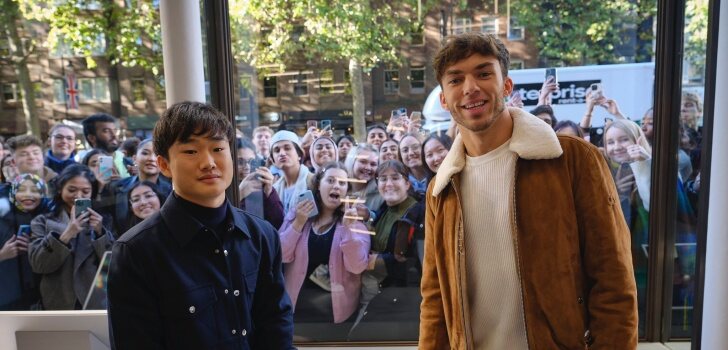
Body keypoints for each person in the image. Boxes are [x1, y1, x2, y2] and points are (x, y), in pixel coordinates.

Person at [420, 33, 637, 349]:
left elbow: (613, 279)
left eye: (483, 73)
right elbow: (435, 298)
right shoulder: (441, 189)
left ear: (506, 86)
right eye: (455, 80)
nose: (470, 88)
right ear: (444, 99)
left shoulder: (572, 160)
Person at [107, 101, 294, 349]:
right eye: (191, 151)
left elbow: (276, 327)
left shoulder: (261, 235)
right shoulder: (136, 252)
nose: (208, 162)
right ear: (164, 165)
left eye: (218, 148)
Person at [278, 162, 370, 339]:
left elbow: (357, 267)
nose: (336, 185)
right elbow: (280, 255)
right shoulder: (297, 214)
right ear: (318, 186)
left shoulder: (355, 223)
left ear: (346, 191)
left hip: (335, 314)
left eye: (342, 183)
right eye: (331, 180)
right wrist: (298, 223)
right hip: (296, 309)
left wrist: (349, 229)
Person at [28, 164, 113, 310]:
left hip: (95, 300)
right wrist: (67, 234)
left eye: (85, 191)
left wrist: (100, 233)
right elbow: (38, 264)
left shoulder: (103, 220)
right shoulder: (42, 221)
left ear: (92, 193)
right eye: (72, 190)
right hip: (58, 300)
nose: (78, 196)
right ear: (60, 189)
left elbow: (112, 265)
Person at [0, 174, 50, 310]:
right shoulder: (2, 219)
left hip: (40, 298)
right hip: (6, 300)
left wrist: (35, 249)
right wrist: (3, 254)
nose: (28, 195)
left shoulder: (49, 219)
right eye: (21, 190)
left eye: (35, 190)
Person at [107, 139, 172, 236]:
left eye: (157, 155)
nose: (152, 158)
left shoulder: (171, 192)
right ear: (134, 158)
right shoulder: (118, 187)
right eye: (145, 153)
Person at [237, 138, 285, 229]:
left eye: (251, 161)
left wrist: (269, 192)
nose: (247, 167)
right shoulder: (223, 187)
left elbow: (278, 222)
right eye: (240, 162)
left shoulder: (260, 184)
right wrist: (239, 194)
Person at [271, 130, 313, 213]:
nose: (282, 153)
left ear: (299, 155)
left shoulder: (313, 182)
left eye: (287, 148)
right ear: (273, 160)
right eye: (277, 150)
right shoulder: (274, 188)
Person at [81, 113, 129, 178]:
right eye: (106, 131)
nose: (114, 135)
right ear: (91, 138)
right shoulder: (83, 167)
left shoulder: (127, 160)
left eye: (114, 130)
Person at [344, 144, 382, 221]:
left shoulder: (380, 195)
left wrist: (368, 216)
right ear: (352, 162)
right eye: (363, 162)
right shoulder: (340, 188)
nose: (368, 167)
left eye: (373, 164)